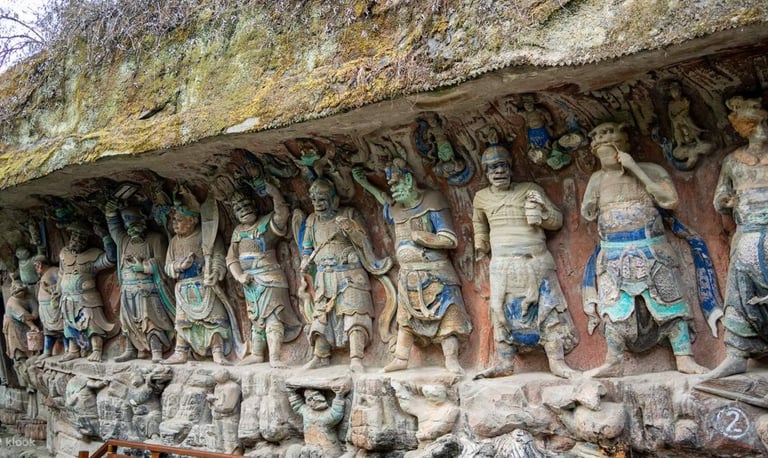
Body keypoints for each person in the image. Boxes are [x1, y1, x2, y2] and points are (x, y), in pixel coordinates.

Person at [581, 122, 708, 377]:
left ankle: (684, 357)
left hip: (652, 250)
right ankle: (614, 360)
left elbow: (670, 201)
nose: (604, 145)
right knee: (613, 308)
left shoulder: (651, 170)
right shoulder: (597, 179)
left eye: (611, 139)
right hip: (613, 254)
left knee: (670, 302)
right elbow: (587, 212)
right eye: (599, 142)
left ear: (625, 145)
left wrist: (635, 169)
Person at [353, 160, 472, 374]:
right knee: (405, 320)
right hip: (408, 275)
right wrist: (365, 184)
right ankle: (401, 358)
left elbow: (450, 239)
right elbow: (383, 199)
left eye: (396, 183)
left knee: (449, 316)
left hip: (436, 273)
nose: (393, 189)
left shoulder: (432, 200)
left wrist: (425, 238)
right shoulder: (396, 209)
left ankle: (451, 359)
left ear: (408, 180)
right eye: (390, 185)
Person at [472, 143, 579, 379]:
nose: (498, 171)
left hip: (535, 261)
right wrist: (480, 246)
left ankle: (557, 362)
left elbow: (556, 220)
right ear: (485, 172)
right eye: (492, 168)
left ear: (510, 168)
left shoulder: (530, 190)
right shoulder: (481, 198)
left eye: (502, 166)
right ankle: (505, 361)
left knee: (548, 310)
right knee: (500, 311)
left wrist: (541, 214)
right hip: (502, 264)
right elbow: (479, 226)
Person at [299, 178, 390, 372]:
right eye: (314, 199)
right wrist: (305, 260)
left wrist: (349, 228)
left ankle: (356, 358)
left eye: (322, 199)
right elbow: (307, 248)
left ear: (334, 200)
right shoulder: (312, 221)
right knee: (321, 317)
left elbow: (364, 241)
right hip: (325, 277)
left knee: (355, 314)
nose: (317, 204)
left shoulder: (349, 214)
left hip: (350, 275)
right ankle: (320, 355)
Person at [708, 97, 768, 378]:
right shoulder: (733, 162)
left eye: (764, 124)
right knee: (739, 292)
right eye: (754, 126)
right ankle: (737, 353)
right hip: (747, 235)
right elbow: (720, 198)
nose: (762, 131)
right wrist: (726, 201)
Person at [226, 185, 301, 367]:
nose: (243, 210)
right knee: (256, 319)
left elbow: (282, 214)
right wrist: (239, 276)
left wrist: (274, 192)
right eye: (238, 208)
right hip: (249, 283)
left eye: (246, 205)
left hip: (270, 279)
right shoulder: (238, 232)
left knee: (273, 316)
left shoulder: (265, 224)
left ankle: (274, 357)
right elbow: (231, 258)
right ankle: (257, 353)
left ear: (254, 205)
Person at [161, 188, 234, 365]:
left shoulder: (207, 235)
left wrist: (215, 271)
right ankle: (180, 352)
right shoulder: (174, 242)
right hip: (183, 287)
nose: (174, 224)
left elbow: (219, 256)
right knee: (183, 323)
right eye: (173, 220)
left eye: (179, 220)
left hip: (205, 285)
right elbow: (167, 266)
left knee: (215, 319)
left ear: (192, 220)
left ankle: (217, 351)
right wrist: (179, 266)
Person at [106, 203, 175, 363]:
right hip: (127, 289)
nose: (131, 227)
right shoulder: (124, 240)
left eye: (134, 222)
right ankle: (131, 350)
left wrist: (143, 267)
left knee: (151, 321)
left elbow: (162, 262)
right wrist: (110, 211)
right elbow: (114, 230)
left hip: (148, 289)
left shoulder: (155, 239)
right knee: (127, 322)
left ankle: (156, 351)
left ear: (143, 221)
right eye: (128, 224)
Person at [56, 221, 116, 362]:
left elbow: (111, 259)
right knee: (69, 324)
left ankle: (97, 350)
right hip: (67, 298)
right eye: (74, 237)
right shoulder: (64, 254)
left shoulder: (93, 255)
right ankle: (74, 350)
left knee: (91, 324)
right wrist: (58, 290)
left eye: (81, 238)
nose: (77, 240)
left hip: (87, 299)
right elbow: (61, 273)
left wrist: (106, 237)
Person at [288, 386, 347, 457]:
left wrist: (339, 395)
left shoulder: (327, 415)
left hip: (327, 449)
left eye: (316, 396)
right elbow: (297, 406)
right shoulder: (306, 411)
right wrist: (291, 392)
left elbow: (336, 413)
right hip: (310, 448)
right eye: (310, 399)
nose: (313, 401)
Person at [3, 278, 39, 361]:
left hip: (26, 323)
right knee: (17, 344)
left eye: (21, 289)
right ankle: (21, 359)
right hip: (13, 324)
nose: (19, 292)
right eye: (16, 290)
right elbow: (22, 315)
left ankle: (33, 353)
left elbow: (35, 310)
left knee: (30, 339)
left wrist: (33, 316)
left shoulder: (29, 298)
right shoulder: (12, 302)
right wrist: (32, 325)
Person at [34, 255, 62, 358]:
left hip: (54, 308)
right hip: (45, 310)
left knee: (61, 329)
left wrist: (49, 288)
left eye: (36, 265)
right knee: (48, 331)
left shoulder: (54, 271)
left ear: (40, 265)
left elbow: (61, 284)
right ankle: (47, 351)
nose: (36, 268)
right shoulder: (43, 275)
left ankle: (69, 349)